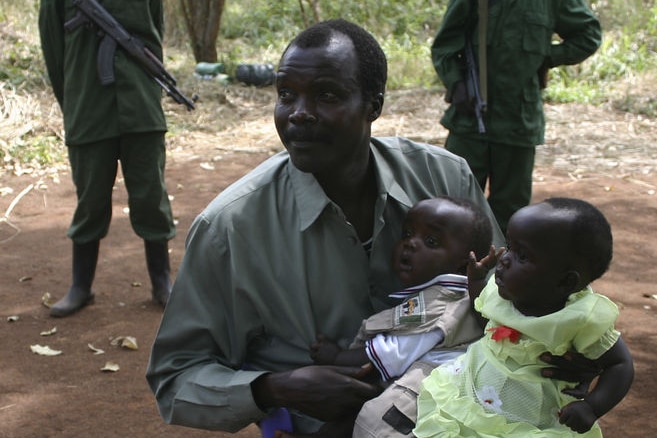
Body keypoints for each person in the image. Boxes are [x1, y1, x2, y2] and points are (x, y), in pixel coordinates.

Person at [146, 19, 593, 438]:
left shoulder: (444, 179)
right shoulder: (231, 227)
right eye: (286, 94)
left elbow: (510, 294)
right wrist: (274, 389)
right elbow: (177, 375)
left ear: (373, 105)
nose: (299, 113)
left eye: (326, 95)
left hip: (467, 415)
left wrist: (563, 348)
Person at [414, 198, 634, 438]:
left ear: (565, 282)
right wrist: (476, 281)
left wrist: (593, 406)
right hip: (469, 396)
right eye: (509, 247)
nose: (505, 259)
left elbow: (620, 365)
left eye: (523, 256)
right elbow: (484, 314)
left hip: (532, 423)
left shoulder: (580, 319)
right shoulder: (505, 294)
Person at [311, 195, 493, 438]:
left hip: (422, 404)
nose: (410, 244)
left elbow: (392, 354)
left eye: (430, 241)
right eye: (407, 233)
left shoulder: (443, 305)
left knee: (368, 416)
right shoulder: (444, 296)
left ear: (462, 266)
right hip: (419, 393)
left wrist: (337, 356)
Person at [39, 0, 176, 317]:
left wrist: (150, 93)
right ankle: (80, 287)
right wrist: (73, 103)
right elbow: (53, 51)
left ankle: (161, 282)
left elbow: (154, 38)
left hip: (141, 107)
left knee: (151, 196)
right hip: (88, 107)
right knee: (90, 201)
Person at [431, 0, 602, 233]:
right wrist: (456, 83)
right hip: (469, 119)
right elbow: (445, 45)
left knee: (510, 213)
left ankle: (497, 266)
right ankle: (455, 268)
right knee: (452, 205)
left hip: (519, 121)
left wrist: (547, 56)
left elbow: (588, 35)